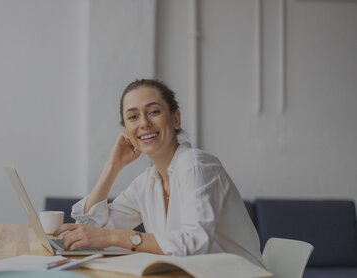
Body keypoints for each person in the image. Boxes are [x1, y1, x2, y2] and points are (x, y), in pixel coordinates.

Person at [53, 79, 264, 267]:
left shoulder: (195, 165)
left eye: (154, 111)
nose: (144, 123)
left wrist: (116, 237)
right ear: (126, 131)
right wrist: (112, 167)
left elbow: (195, 243)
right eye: (133, 117)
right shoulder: (148, 182)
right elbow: (90, 233)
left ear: (175, 119)